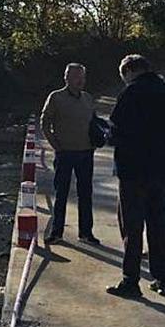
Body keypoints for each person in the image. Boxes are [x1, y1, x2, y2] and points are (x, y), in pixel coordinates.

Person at [107, 55, 165, 297]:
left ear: (130, 71)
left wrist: (106, 136)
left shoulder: (131, 93)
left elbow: (117, 129)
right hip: (163, 169)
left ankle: (131, 281)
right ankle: (163, 279)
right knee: (159, 224)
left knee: (132, 225)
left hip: (134, 170)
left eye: (124, 76)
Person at [40, 63, 99, 245]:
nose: (80, 80)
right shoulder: (56, 97)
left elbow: (94, 122)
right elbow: (45, 122)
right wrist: (55, 144)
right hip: (65, 153)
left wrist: (97, 139)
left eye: (82, 77)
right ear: (66, 78)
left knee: (86, 194)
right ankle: (57, 232)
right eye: (76, 77)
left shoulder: (88, 98)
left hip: (86, 152)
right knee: (61, 193)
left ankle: (86, 232)